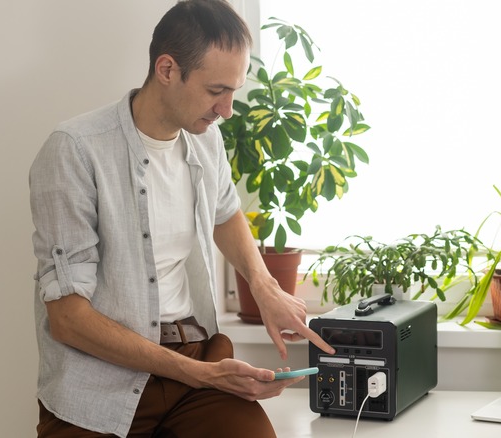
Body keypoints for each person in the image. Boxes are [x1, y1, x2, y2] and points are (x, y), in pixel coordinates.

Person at [29, 1, 335, 436]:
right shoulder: (75, 150)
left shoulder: (205, 140)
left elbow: (225, 213)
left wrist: (265, 287)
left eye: (234, 90)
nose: (227, 109)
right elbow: (67, 318)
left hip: (195, 361)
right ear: (167, 69)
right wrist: (201, 375)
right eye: (216, 91)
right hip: (99, 383)